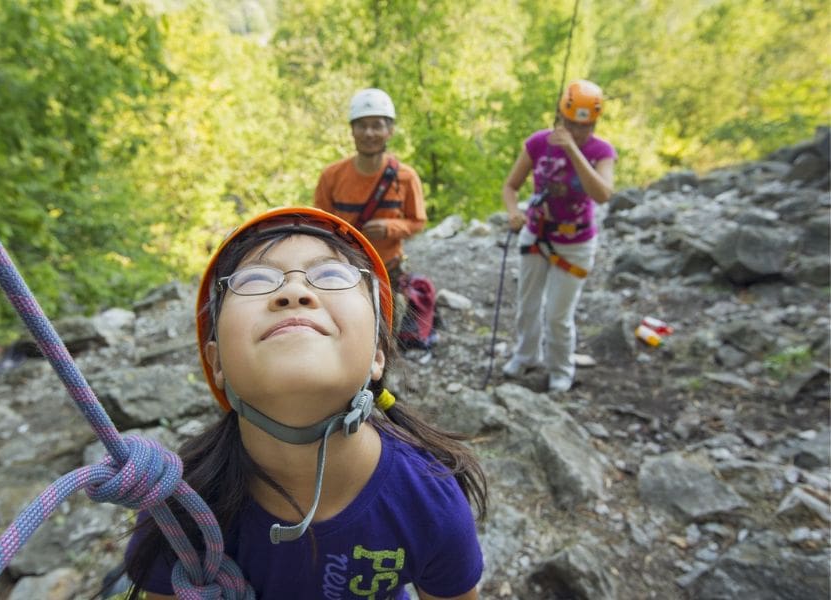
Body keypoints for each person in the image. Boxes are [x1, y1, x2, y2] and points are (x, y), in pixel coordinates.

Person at [123, 207, 487, 599]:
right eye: (255, 279)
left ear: (377, 353)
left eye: (331, 275)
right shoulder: (180, 507)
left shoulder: (428, 499)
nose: (294, 292)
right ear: (217, 363)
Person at [501, 79, 617, 392]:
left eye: (586, 126)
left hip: (576, 244)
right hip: (536, 235)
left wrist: (573, 150)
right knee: (528, 304)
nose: (578, 132)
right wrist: (514, 212)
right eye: (571, 124)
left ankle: (560, 368)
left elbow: (603, 194)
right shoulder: (538, 143)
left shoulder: (601, 151)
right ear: (560, 117)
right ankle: (525, 355)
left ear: (594, 122)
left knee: (557, 314)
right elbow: (511, 186)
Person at [314, 88, 426, 288]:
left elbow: (417, 222)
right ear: (352, 131)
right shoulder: (331, 176)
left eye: (377, 126)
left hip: (389, 272)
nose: (369, 133)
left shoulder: (406, 177)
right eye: (362, 126)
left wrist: (390, 228)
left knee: (394, 319)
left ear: (389, 131)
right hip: (344, 271)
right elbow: (319, 223)